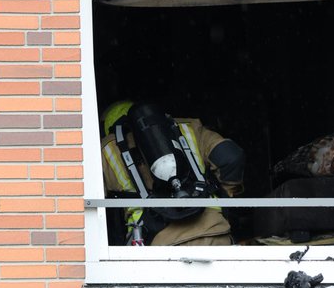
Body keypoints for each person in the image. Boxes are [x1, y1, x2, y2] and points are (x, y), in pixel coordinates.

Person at [100, 100, 245, 247]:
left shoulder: (106, 150)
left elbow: (84, 200)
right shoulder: (188, 128)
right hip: (214, 232)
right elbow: (231, 156)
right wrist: (224, 199)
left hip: (157, 244)